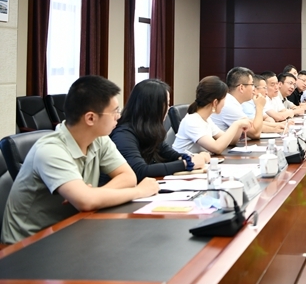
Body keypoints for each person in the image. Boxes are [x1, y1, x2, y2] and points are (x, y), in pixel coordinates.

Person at [1, 76, 159, 244]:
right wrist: (140, 191)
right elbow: (86, 202)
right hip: (29, 244)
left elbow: (128, 177)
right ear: (90, 118)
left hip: (71, 229)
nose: (118, 116)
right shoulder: (50, 150)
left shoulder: (99, 139)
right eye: (114, 111)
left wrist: (93, 194)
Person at [109, 79, 208, 183]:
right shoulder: (123, 135)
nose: (168, 109)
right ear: (153, 107)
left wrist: (189, 158)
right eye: (167, 104)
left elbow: (170, 154)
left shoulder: (150, 130)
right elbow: (140, 170)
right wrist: (186, 164)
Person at [172, 76, 250, 155]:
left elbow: (231, 141)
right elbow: (217, 148)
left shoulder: (206, 119)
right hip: (183, 162)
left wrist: (240, 125)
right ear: (215, 102)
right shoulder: (192, 121)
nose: (225, 103)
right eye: (224, 99)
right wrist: (236, 124)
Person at [210, 66, 266, 140]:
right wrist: (259, 106)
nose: (254, 89)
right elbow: (255, 133)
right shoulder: (228, 104)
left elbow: (251, 123)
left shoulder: (232, 101)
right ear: (241, 88)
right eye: (252, 85)